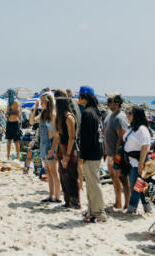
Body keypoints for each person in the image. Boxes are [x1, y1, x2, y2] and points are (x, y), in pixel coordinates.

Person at [76, 86, 106, 222]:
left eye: (80, 96)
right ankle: (92, 210)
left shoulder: (88, 113)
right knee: (91, 183)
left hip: (91, 153)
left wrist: (82, 156)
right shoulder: (97, 113)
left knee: (93, 184)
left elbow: (86, 138)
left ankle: (99, 213)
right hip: (97, 151)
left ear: (84, 97)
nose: (78, 98)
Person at [31, 93, 61, 203]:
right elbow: (32, 121)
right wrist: (34, 109)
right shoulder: (43, 113)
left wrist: (53, 150)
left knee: (54, 172)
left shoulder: (53, 114)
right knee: (48, 172)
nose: (41, 103)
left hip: (50, 144)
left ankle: (57, 197)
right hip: (43, 144)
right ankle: (51, 195)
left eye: (42, 101)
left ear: (48, 101)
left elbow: (56, 134)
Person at [103, 93, 129, 210]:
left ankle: (127, 204)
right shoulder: (109, 115)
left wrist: (116, 155)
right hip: (109, 153)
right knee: (114, 177)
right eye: (108, 101)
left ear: (117, 103)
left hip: (116, 154)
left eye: (110, 101)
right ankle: (118, 202)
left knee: (123, 178)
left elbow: (121, 138)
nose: (108, 103)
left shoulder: (120, 117)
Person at [123, 106, 151, 214]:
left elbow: (145, 146)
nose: (128, 115)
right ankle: (147, 207)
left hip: (138, 160)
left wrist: (141, 164)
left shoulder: (142, 129)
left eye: (130, 113)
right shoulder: (132, 128)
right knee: (141, 185)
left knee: (136, 185)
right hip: (131, 160)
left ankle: (132, 208)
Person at [55, 96, 80, 209]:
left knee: (71, 176)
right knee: (63, 175)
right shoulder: (59, 117)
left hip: (70, 148)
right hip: (62, 148)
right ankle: (67, 201)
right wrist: (60, 152)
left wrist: (67, 154)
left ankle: (75, 202)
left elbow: (72, 138)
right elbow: (59, 135)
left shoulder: (69, 118)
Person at [4, 89, 22, 160]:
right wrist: (9, 114)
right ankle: (8, 156)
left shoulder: (15, 102)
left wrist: (9, 113)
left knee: (16, 141)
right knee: (9, 140)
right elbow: (6, 114)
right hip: (9, 122)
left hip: (14, 123)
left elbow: (17, 113)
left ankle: (17, 157)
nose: (8, 95)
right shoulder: (9, 102)